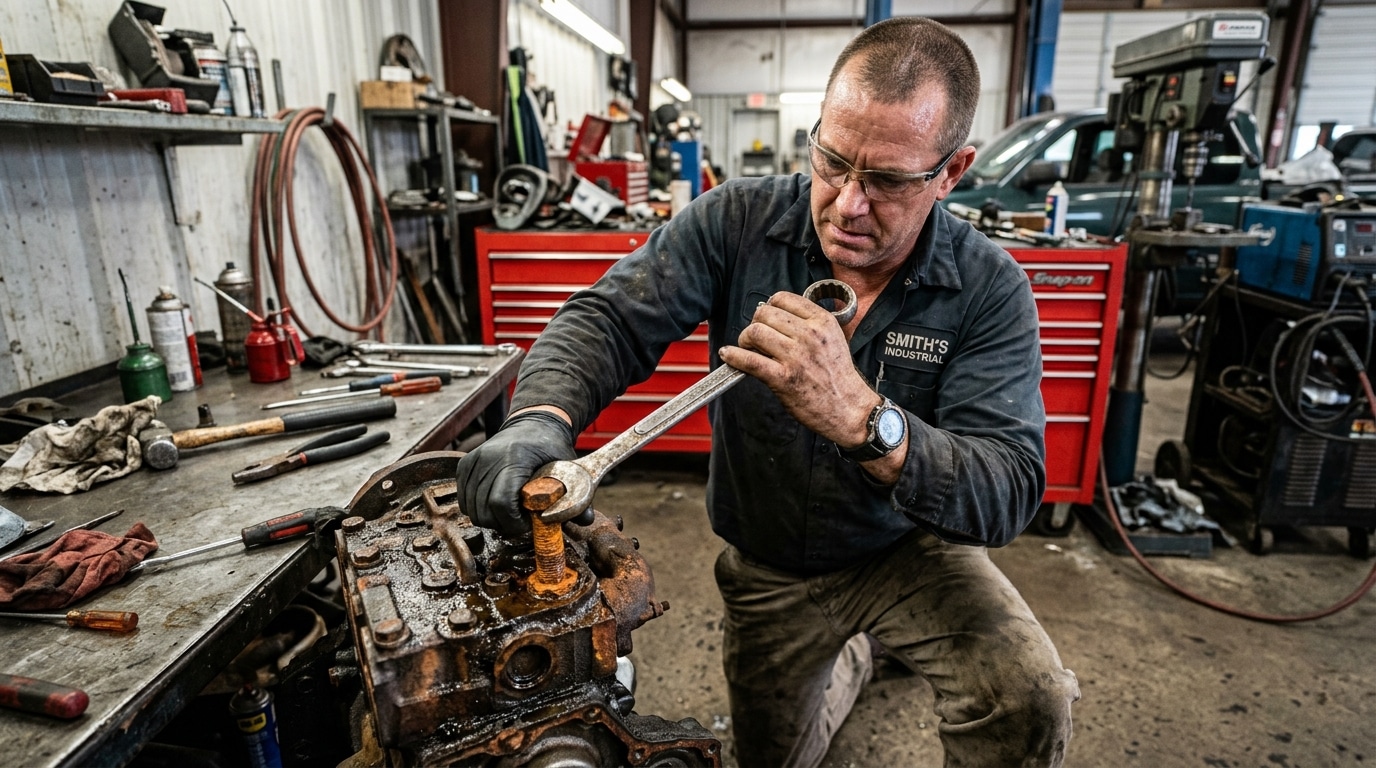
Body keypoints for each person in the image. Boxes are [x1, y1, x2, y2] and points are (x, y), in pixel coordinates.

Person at [458, 16, 1080, 768]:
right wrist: (539, 416)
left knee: (1028, 695)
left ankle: (870, 639)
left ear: (951, 172)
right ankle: (855, 660)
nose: (848, 204)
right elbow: (611, 318)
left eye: (887, 181)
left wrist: (864, 418)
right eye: (833, 162)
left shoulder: (989, 288)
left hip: (904, 550)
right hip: (769, 564)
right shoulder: (737, 220)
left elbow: (1008, 489)